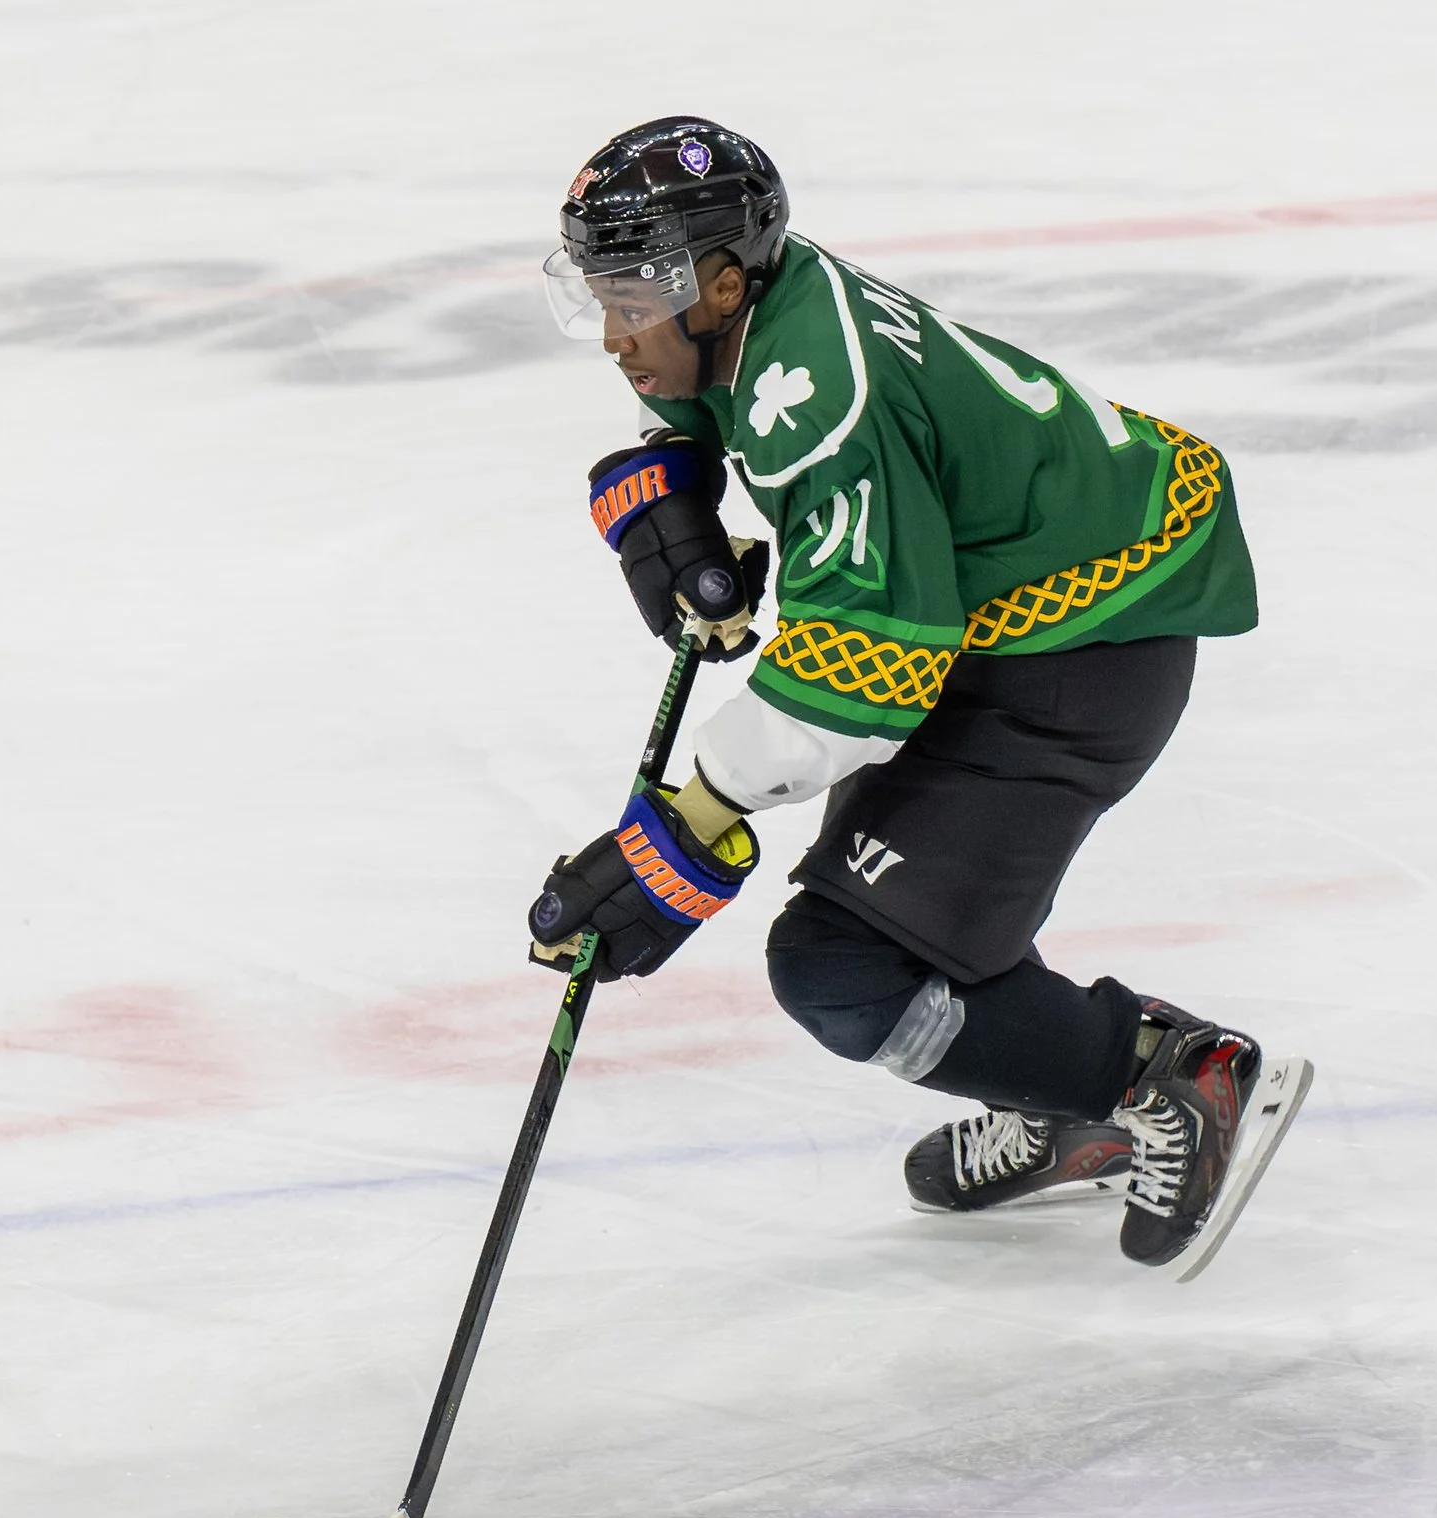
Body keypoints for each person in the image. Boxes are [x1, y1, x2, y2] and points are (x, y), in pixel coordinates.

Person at [527, 116, 1267, 1267]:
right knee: (895, 933)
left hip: (1080, 655)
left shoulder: (820, 394)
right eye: (601, 297)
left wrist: (687, 825)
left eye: (632, 302)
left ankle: (1164, 1078)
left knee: (847, 966)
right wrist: (667, 518)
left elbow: (865, 674)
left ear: (720, 287)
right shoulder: (760, 310)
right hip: (1000, 630)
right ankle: (1058, 1080)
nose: (615, 337)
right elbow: (694, 417)